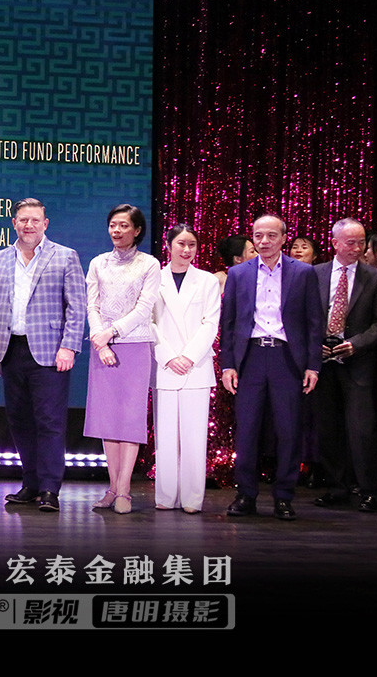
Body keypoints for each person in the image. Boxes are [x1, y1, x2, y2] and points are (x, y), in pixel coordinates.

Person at [221, 214, 323, 521]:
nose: (264, 241)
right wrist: (228, 365)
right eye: (258, 236)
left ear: (283, 238)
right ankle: (246, 494)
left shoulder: (303, 272)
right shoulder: (238, 273)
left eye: (271, 235)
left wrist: (313, 365)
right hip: (250, 357)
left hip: (286, 358)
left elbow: (314, 322)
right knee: (247, 429)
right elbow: (228, 323)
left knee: (288, 429)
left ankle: (284, 496)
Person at [0, 198, 85, 512]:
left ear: (45, 223)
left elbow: (77, 306)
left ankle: (49, 489)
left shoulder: (65, 256)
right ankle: (30, 484)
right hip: (10, 350)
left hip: (50, 352)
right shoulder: (0, 258)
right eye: (23, 220)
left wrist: (69, 346)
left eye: (35, 220)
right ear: (14, 223)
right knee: (19, 421)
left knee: (50, 422)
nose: (28, 225)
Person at [83, 204, 159, 514]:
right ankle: (112, 488)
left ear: (137, 230)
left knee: (129, 420)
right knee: (107, 421)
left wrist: (111, 332)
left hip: (135, 345)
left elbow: (144, 308)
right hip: (102, 347)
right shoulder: (98, 263)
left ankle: (125, 490)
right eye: (113, 224)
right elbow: (92, 306)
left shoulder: (149, 264)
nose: (117, 230)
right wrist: (100, 341)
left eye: (124, 225)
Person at [311, 219, 377, 511]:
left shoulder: (375, 278)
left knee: (362, 429)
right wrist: (313, 344)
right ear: (335, 243)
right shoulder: (315, 274)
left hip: (358, 363)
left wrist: (356, 344)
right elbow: (302, 315)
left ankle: (370, 491)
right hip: (322, 362)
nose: (357, 248)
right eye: (351, 242)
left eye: (361, 242)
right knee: (327, 428)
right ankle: (337, 488)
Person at [151, 224, 220, 513]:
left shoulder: (207, 281)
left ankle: (192, 498)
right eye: (181, 243)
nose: (186, 249)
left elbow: (210, 323)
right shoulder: (154, 279)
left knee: (194, 437)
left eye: (192, 244)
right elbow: (149, 322)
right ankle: (166, 496)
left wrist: (188, 357)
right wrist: (169, 356)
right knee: (165, 436)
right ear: (168, 245)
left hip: (196, 366)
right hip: (165, 365)